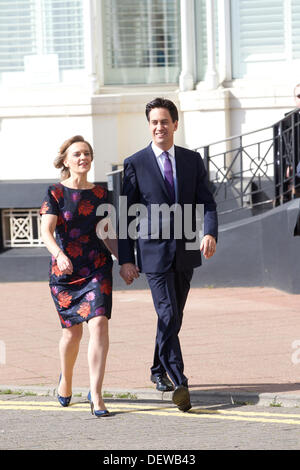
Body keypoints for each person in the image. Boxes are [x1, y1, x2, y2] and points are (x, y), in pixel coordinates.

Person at [118, 97, 218, 412]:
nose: (159, 127)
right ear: (149, 126)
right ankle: (179, 381)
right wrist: (126, 259)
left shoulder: (192, 160)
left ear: (175, 124)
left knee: (173, 316)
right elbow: (125, 214)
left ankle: (156, 370)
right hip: (153, 253)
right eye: (154, 122)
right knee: (169, 314)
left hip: (186, 249)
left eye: (164, 121)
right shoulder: (136, 162)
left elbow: (208, 202)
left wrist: (210, 232)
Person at [40, 135, 118, 417]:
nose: (82, 158)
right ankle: (67, 380)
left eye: (86, 153)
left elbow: (106, 232)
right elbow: (46, 232)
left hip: (96, 266)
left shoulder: (100, 194)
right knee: (71, 333)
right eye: (77, 154)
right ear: (66, 160)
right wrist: (59, 254)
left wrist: (125, 260)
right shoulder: (55, 193)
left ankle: (96, 394)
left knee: (98, 324)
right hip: (66, 272)